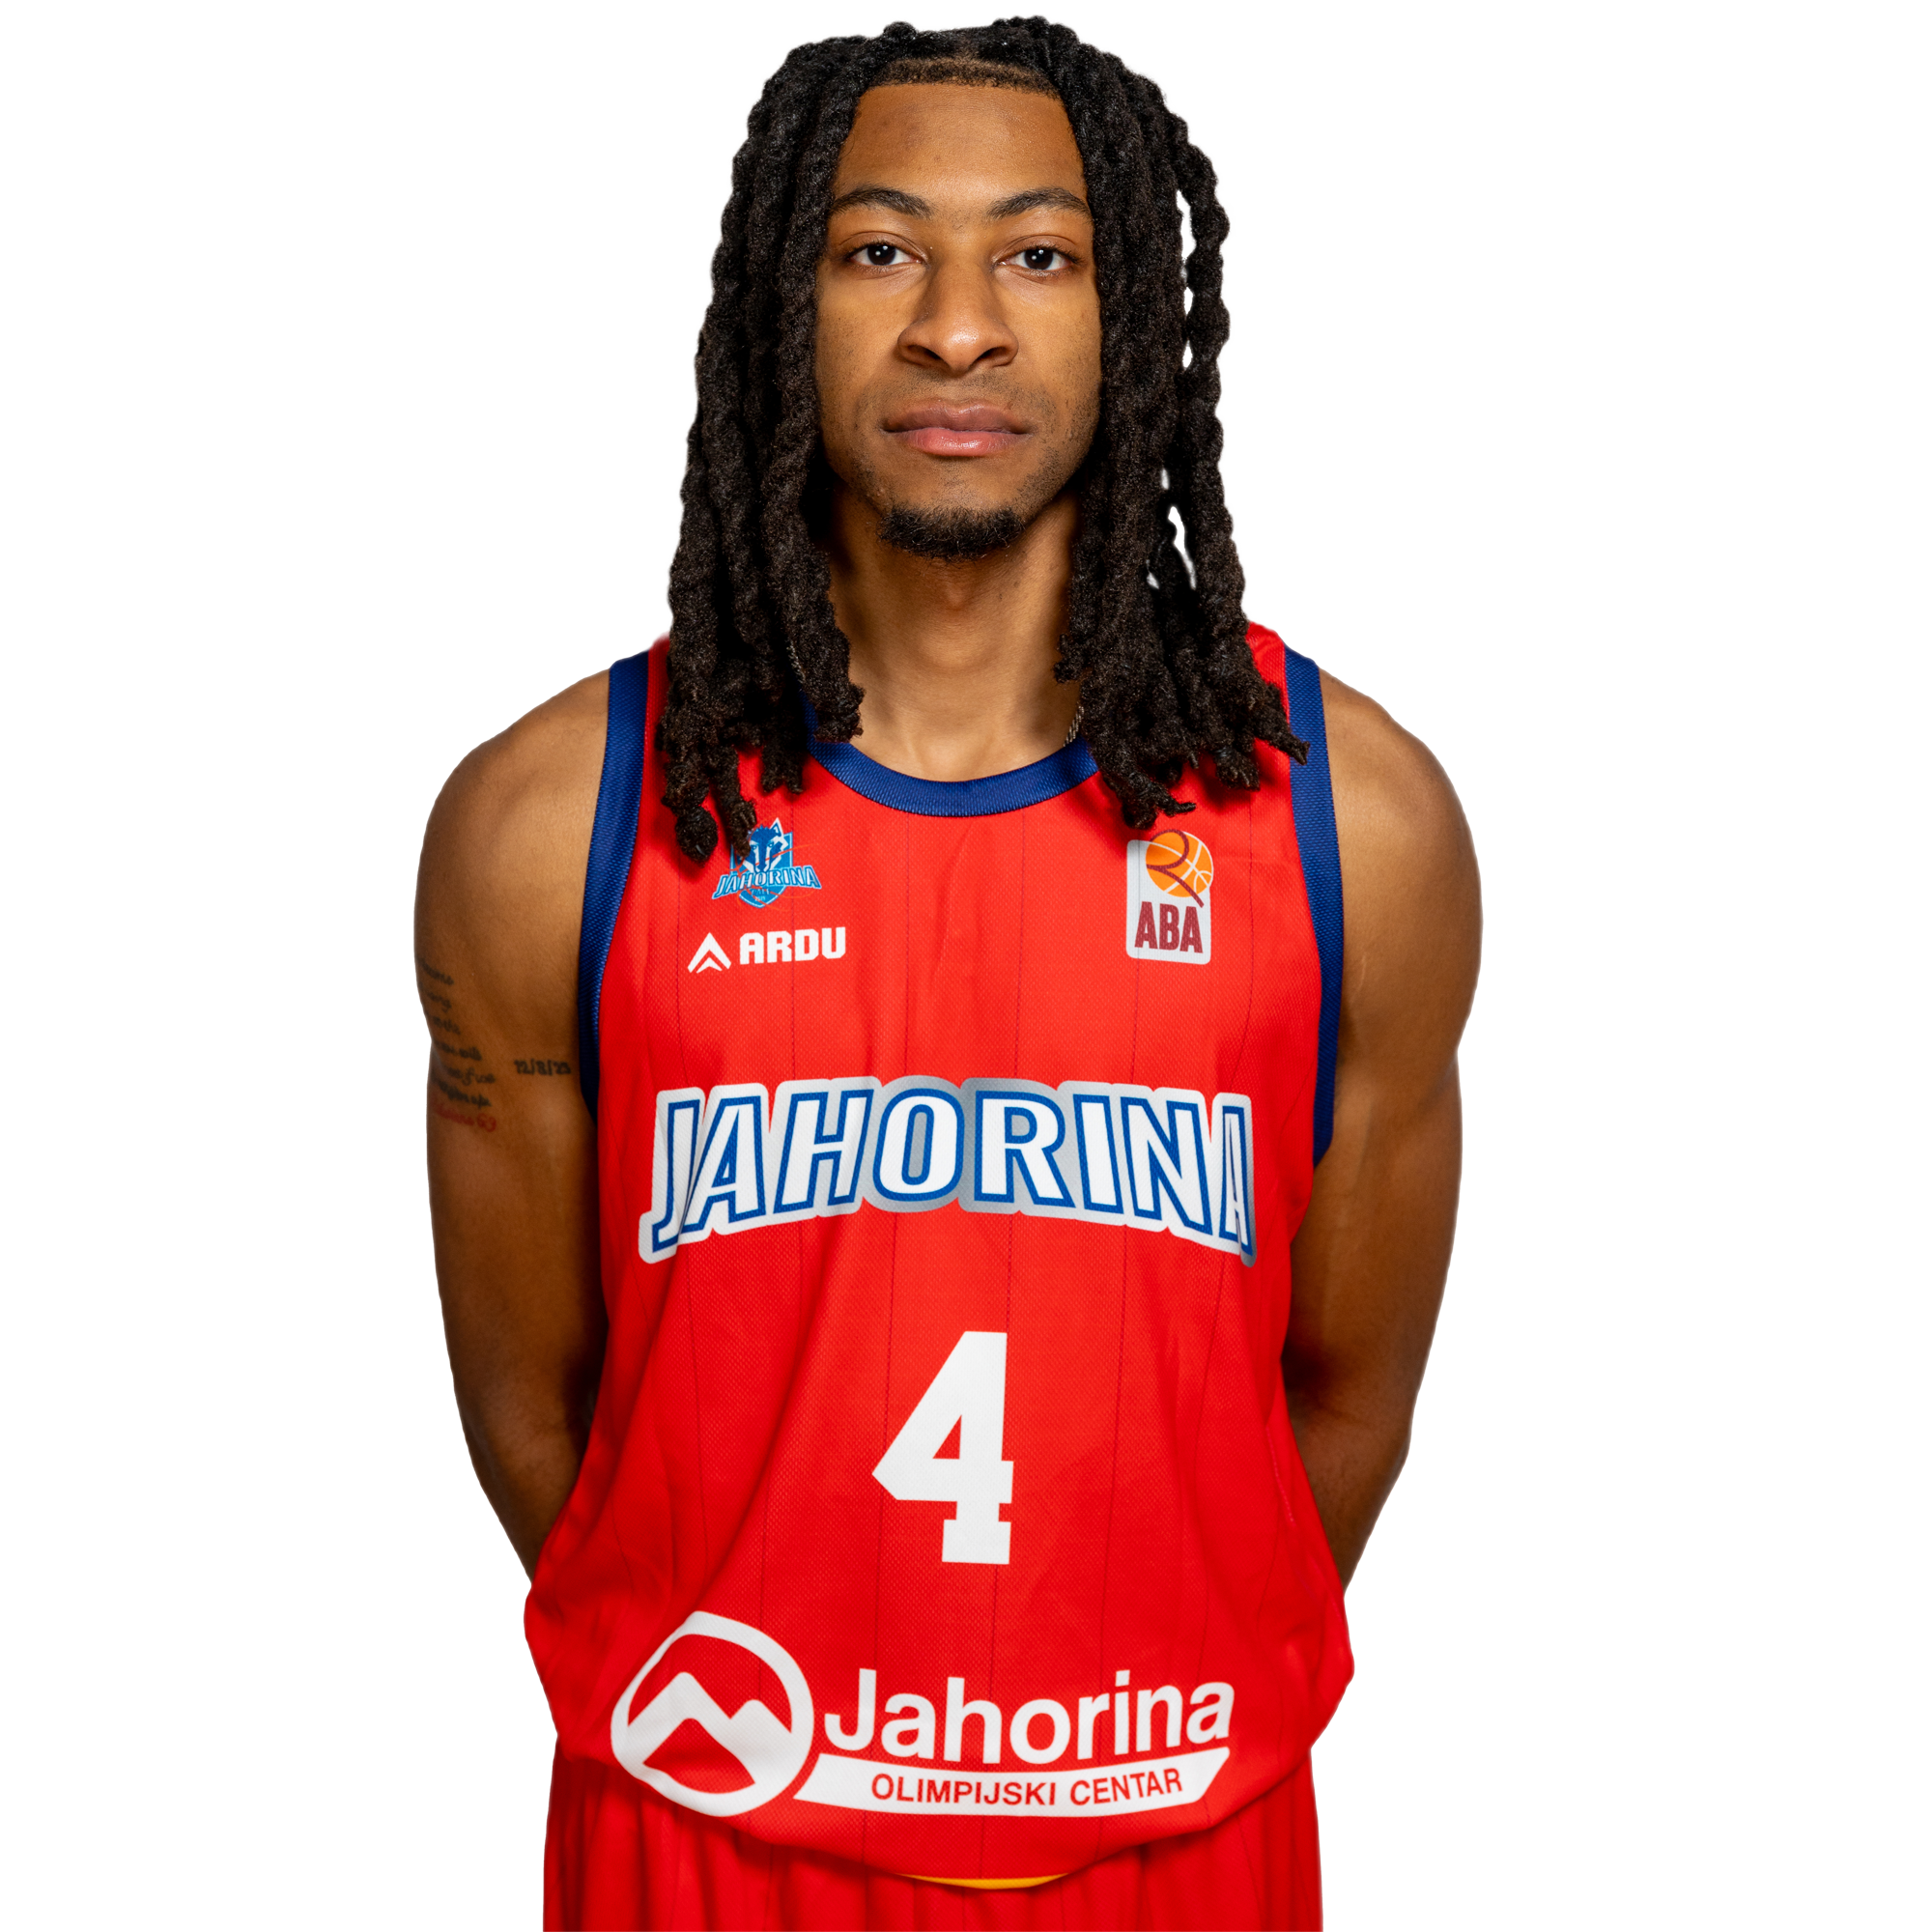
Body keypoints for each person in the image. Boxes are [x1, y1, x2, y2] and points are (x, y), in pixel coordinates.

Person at [417, 17, 1479, 1929]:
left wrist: (1111, 1703)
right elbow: (529, 1413)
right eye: (881, 248)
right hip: (709, 1822)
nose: (960, 328)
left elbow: (1349, 1402)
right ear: (783, 303)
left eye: (1041, 253)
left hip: (1166, 1827)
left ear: (1131, 315)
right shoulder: (548, 820)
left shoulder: (1357, 823)